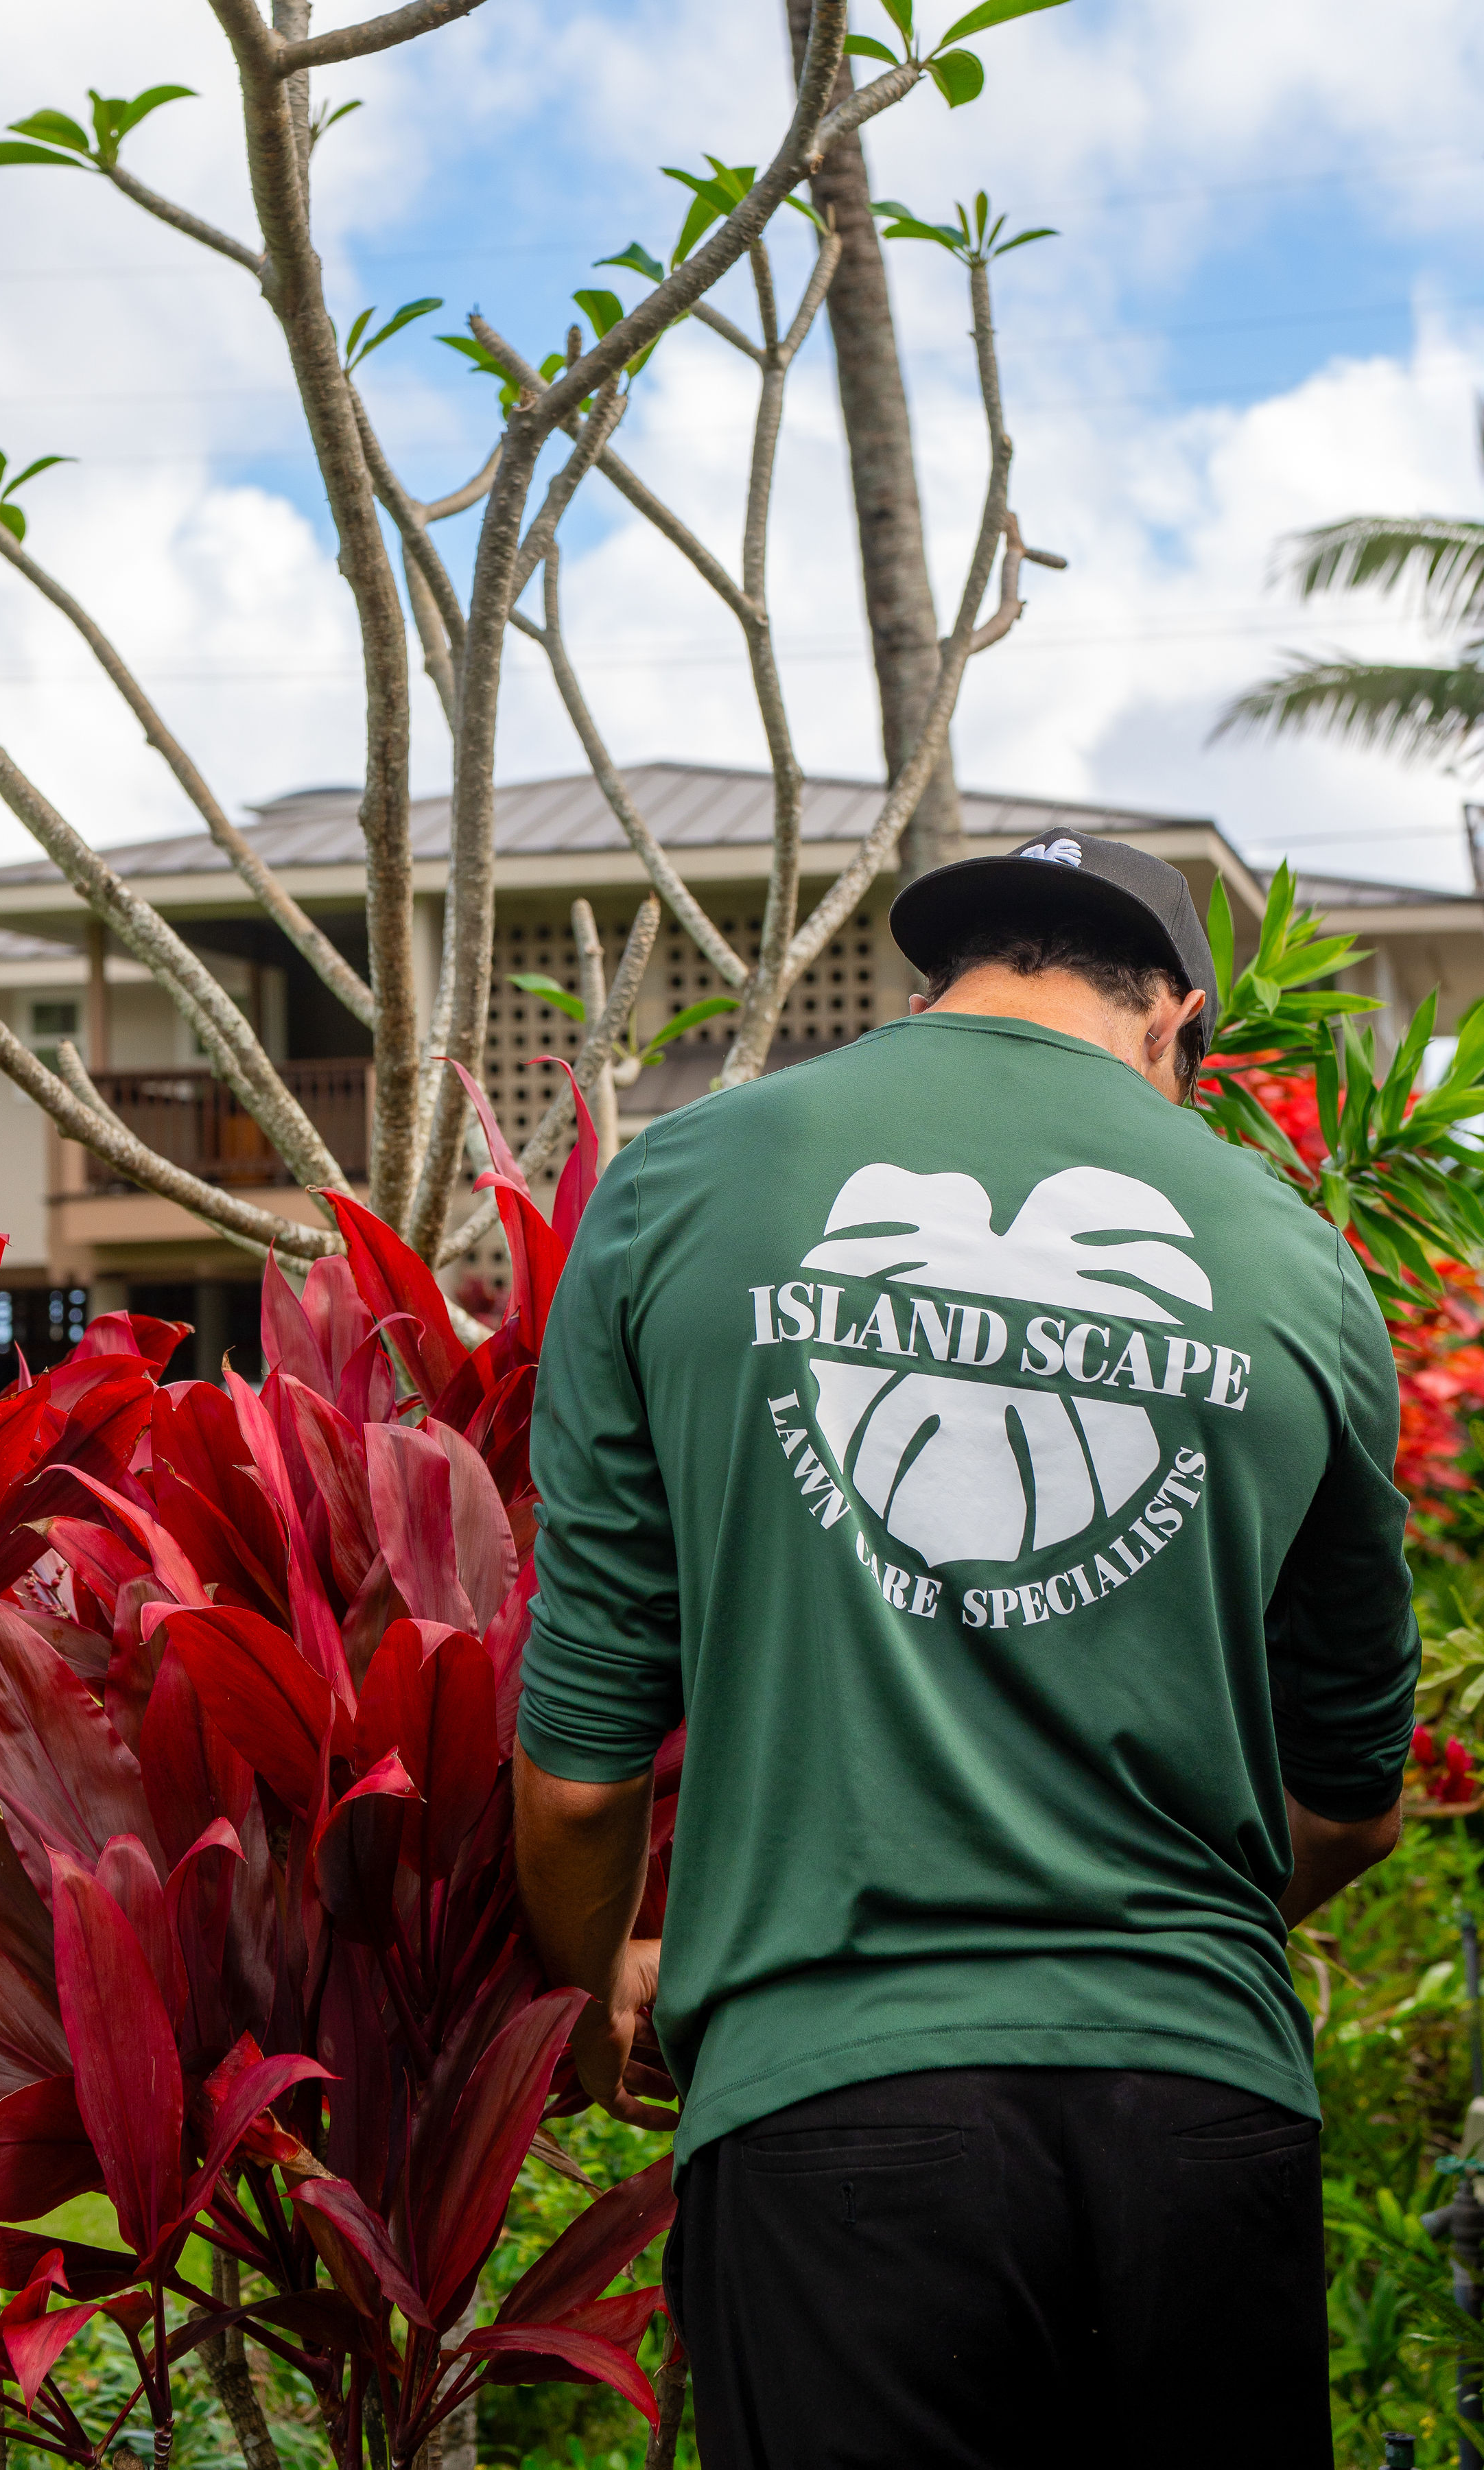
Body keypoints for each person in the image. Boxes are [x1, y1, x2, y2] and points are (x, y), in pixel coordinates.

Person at [513, 828, 1417, 2469]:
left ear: (938, 988)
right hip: (1198, 2109)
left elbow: (579, 1772)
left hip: (828, 2108)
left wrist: (603, 1989)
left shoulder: (683, 1179)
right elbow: (1352, 1800)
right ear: (1175, 1027)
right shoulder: (1297, 1263)